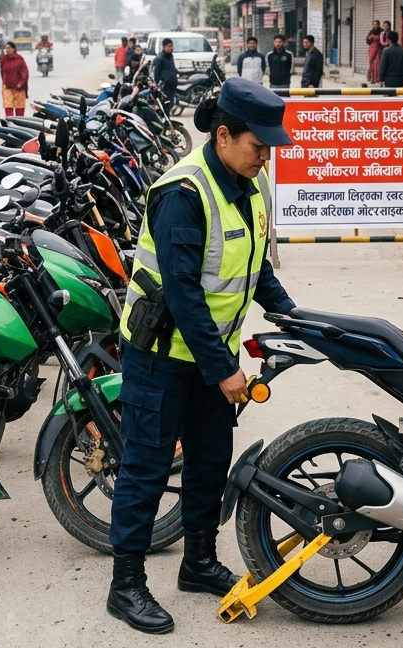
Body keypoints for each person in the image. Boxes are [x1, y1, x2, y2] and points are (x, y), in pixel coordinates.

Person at [109, 76, 296, 635]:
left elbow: (257, 266)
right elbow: (185, 292)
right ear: (222, 136)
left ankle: (197, 562)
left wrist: (295, 318)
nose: (265, 156)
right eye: (257, 145)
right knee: (145, 466)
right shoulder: (181, 194)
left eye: (269, 147)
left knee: (211, 461)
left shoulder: (250, 186)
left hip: (211, 353)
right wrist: (225, 370)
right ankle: (126, 586)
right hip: (162, 355)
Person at [0, 42, 28, 117]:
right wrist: (5, 82)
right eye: (6, 48)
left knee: (19, 109)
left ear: (14, 49)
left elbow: (25, 72)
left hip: (19, 88)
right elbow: (2, 72)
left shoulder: (19, 59)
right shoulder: (4, 59)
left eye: (9, 48)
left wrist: (21, 83)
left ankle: (19, 126)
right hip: (7, 87)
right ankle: (10, 125)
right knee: (8, 106)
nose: (7, 50)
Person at [153, 38, 179, 112]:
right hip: (164, 86)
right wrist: (158, 84)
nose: (171, 48)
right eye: (169, 46)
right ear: (164, 47)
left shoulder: (171, 56)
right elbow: (156, 73)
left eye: (172, 46)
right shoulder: (159, 58)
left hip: (172, 84)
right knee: (164, 104)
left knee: (170, 104)